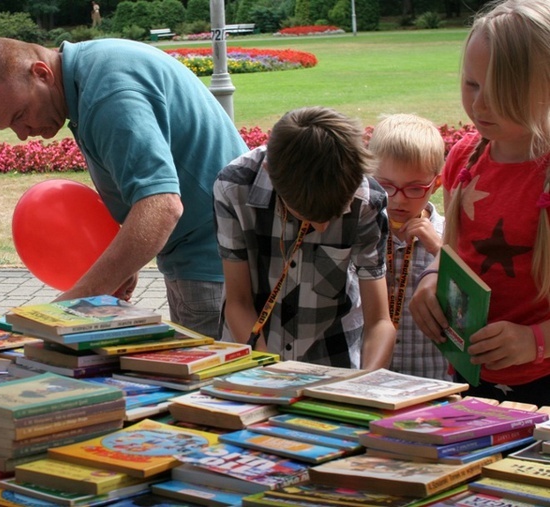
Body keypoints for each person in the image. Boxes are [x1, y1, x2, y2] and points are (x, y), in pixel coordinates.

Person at [0, 38, 248, 338]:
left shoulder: (106, 95)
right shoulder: (92, 71)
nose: (22, 135)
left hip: (213, 260)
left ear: (42, 74)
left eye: (20, 115)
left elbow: (162, 206)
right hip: (211, 251)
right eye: (9, 127)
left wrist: (71, 305)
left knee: (213, 380)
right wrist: (125, 261)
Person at [410, 0, 550, 404]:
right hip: (472, 379)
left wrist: (536, 341)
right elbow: (454, 251)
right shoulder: (465, 158)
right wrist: (431, 279)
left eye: (502, 91)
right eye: (472, 85)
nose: (481, 105)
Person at [213, 106, 396, 368]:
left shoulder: (366, 200)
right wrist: (268, 371)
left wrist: (366, 380)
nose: (321, 227)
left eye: (335, 214)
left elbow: (379, 320)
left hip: (332, 358)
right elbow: (238, 302)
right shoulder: (233, 189)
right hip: (251, 357)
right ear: (269, 173)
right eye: (306, 216)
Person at [368, 113, 449, 380]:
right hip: (372, 375)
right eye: (386, 185)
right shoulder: (363, 234)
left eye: (415, 189)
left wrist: (440, 250)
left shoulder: (448, 236)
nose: (398, 200)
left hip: (432, 377)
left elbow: (476, 297)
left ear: (436, 184)